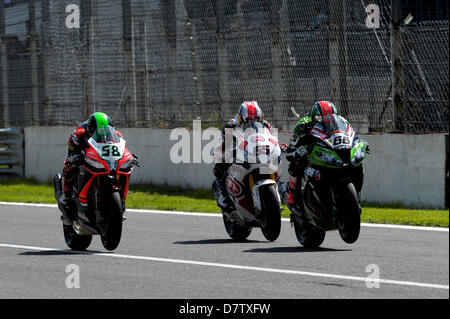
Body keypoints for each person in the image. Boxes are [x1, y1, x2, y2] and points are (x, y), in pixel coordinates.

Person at [284, 101, 356, 215]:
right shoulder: (303, 123)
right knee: (295, 165)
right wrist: (298, 150)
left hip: (328, 150)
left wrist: (357, 143)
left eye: (330, 116)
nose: (325, 120)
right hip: (309, 151)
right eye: (320, 118)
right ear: (314, 116)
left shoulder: (341, 120)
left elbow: (351, 134)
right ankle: (292, 197)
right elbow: (292, 145)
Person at [212, 101, 286, 212]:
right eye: (249, 119)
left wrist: (280, 146)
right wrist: (221, 153)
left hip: (257, 153)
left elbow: (273, 138)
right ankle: (223, 194)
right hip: (237, 153)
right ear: (241, 118)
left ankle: (276, 193)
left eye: (255, 118)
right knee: (219, 167)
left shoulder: (265, 125)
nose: (253, 121)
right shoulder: (231, 125)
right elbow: (222, 142)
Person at [58, 112, 122, 210]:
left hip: (100, 155)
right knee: (70, 165)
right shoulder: (78, 133)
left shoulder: (117, 134)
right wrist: (74, 156)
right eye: (97, 131)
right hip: (82, 151)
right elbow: (71, 151)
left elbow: (120, 147)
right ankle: (66, 194)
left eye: (105, 131)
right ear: (90, 129)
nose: (103, 133)